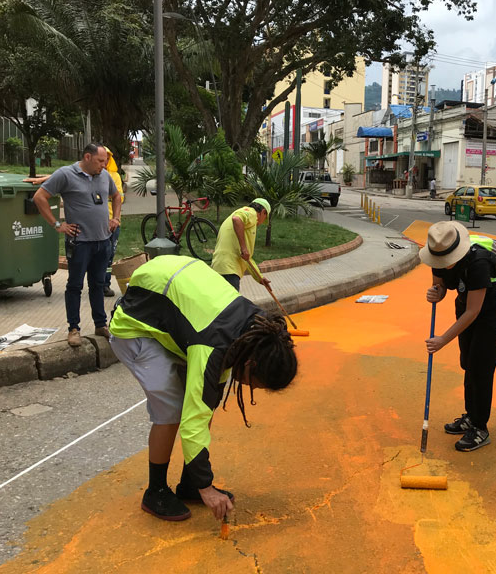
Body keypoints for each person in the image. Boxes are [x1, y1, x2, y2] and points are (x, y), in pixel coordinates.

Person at [109, 255, 298, 521]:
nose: (251, 387)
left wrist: (199, 481)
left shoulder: (252, 331)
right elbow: (194, 415)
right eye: (257, 384)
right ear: (252, 363)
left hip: (169, 300)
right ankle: (156, 492)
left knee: (204, 403)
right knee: (173, 410)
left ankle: (189, 485)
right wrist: (207, 488)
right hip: (134, 325)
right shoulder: (213, 345)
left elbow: (206, 402)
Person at [420, 221, 496, 452]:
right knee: (468, 363)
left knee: (481, 368)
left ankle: (480, 427)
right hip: (465, 304)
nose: (441, 265)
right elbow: (442, 287)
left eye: (446, 261)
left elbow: (474, 311)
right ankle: (470, 416)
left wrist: (442, 339)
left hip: (490, 310)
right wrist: (436, 293)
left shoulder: (478, 262)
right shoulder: (437, 254)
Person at [32, 143, 121, 347]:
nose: (103, 165)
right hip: (80, 243)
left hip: (102, 241)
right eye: (100, 161)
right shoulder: (65, 174)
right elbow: (40, 197)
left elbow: (116, 196)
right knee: (74, 286)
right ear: (87, 157)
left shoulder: (105, 176)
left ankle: (100, 324)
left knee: (98, 284)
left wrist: (115, 218)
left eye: (105, 162)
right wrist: (57, 224)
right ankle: (74, 328)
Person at [211, 199, 271, 292]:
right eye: (265, 218)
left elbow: (247, 258)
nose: (262, 222)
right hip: (230, 270)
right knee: (232, 305)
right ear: (263, 212)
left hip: (219, 266)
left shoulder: (241, 221)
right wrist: (244, 247)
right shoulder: (251, 213)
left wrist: (260, 278)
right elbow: (237, 219)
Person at [103, 147, 124, 297]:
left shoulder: (115, 176)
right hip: (98, 223)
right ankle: (97, 283)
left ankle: (105, 284)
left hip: (113, 223)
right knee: (99, 255)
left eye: (108, 158)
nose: (105, 162)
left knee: (109, 255)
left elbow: (119, 197)